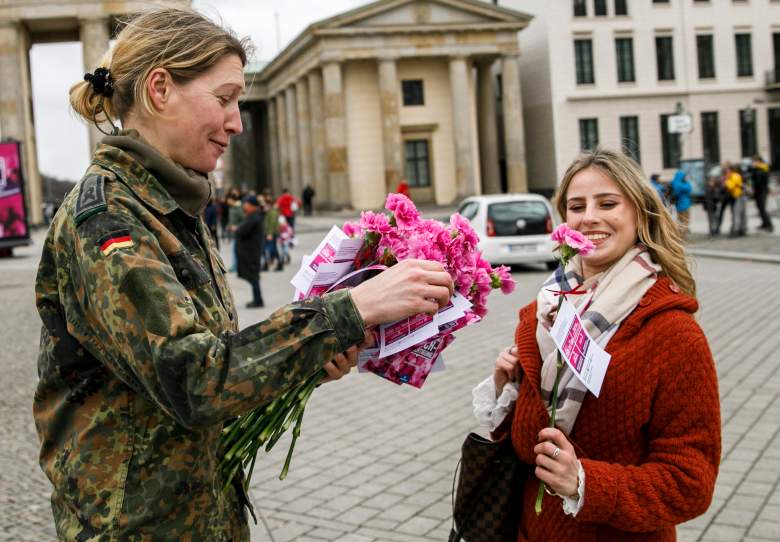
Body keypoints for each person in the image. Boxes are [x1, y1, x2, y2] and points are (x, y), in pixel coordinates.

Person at [33, 8, 454, 541]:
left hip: (198, 516)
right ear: (160, 89)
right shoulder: (109, 219)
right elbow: (192, 380)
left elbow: (214, 364)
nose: (237, 120)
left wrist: (305, 360)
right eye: (224, 97)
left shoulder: (170, 205)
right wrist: (352, 308)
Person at [472, 147, 720, 541]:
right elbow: (530, 447)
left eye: (607, 203)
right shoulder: (546, 310)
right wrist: (510, 393)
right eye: (576, 206)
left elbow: (690, 482)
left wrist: (586, 483)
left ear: (638, 213)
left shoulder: (674, 334)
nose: (589, 217)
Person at [236, 194, 265, 307]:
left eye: (247, 204)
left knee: (254, 277)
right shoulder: (253, 216)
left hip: (252, 252)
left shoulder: (254, 217)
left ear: (252, 206)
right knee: (254, 277)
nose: (245, 206)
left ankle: (258, 300)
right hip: (252, 252)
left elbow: (242, 230)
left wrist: (237, 229)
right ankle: (257, 299)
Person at [750, 155, 774, 232]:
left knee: (762, 208)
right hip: (759, 191)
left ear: (758, 161)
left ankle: (769, 225)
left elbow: (759, 180)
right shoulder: (758, 169)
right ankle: (764, 224)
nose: (752, 163)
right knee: (760, 208)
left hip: (761, 191)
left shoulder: (762, 168)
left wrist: (755, 169)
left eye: (753, 161)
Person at [670, 169, 692, 235]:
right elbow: (689, 188)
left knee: (680, 219)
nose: (684, 177)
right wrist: (686, 182)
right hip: (684, 205)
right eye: (684, 176)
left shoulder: (674, 182)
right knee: (685, 219)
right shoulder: (680, 184)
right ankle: (682, 233)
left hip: (679, 205)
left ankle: (681, 232)